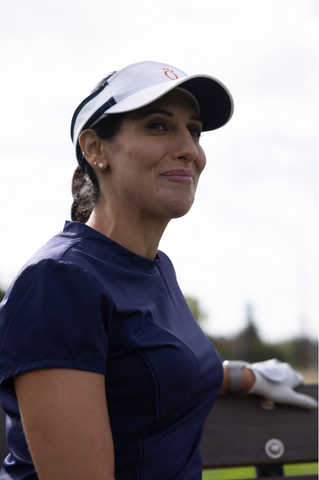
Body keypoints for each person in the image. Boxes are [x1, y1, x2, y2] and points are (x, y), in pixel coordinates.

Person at [0, 60, 316, 480]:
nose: (191, 150)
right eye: (158, 125)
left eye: (195, 131)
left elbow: (143, 372)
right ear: (95, 148)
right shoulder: (57, 281)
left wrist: (245, 375)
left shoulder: (156, 269)